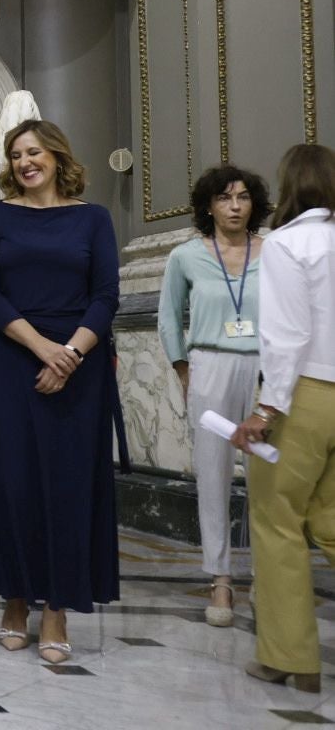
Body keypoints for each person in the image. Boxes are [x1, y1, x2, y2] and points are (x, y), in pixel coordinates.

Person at [0, 119, 120, 664]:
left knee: (67, 488)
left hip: (79, 365)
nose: (25, 162)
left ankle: (58, 607)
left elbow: (107, 293)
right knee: (12, 483)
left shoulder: (93, 218)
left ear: (57, 156)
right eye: (16, 155)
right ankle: (15, 599)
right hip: (11, 358)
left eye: (34, 152)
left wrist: (71, 353)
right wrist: (44, 349)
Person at [229, 143, 335, 694]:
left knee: (278, 524)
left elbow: (287, 334)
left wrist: (266, 409)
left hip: (307, 397)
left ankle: (290, 658)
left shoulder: (288, 244)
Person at [156, 164, 268, 627]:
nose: (235, 206)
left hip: (264, 368)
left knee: (267, 479)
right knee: (213, 474)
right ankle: (220, 579)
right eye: (225, 198)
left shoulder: (274, 251)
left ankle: (266, 579)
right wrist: (184, 369)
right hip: (209, 364)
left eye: (243, 197)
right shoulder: (186, 256)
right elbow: (167, 316)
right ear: (209, 206)